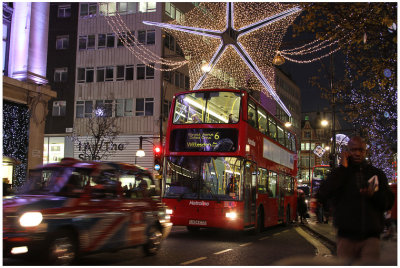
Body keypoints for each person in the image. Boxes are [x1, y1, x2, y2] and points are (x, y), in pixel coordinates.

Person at [317, 136, 394, 264]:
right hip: (346, 236)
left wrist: (373, 195)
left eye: (360, 150)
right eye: (353, 150)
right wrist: (343, 169)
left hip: (371, 235)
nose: (357, 153)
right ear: (347, 151)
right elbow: (323, 194)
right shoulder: (340, 173)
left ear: (365, 151)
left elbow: (388, 203)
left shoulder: (377, 174)